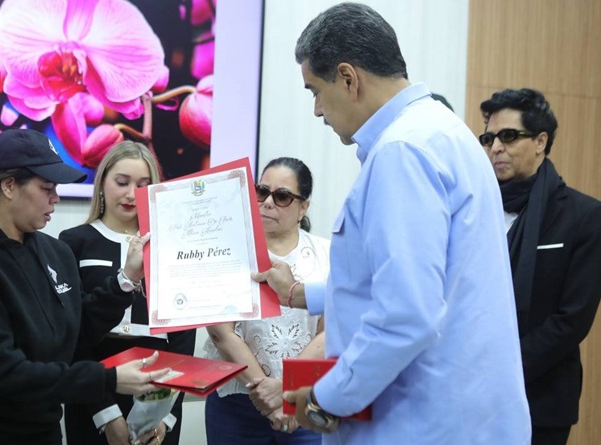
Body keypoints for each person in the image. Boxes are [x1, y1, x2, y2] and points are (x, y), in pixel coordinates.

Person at [254, 3, 531, 444]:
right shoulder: (442, 132)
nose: (318, 111)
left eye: (316, 91)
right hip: (461, 418)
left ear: (349, 78)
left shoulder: (403, 151)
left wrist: (326, 399)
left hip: (418, 424)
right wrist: (301, 293)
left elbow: (406, 315)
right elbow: (422, 278)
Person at [0, 129, 168, 445]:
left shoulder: (56, 253)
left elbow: (77, 331)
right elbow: (5, 372)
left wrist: (126, 281)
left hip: (39, 428)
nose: (56, 198)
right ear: (9, 186)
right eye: (47, 188)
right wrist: (108, 379)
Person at [479, 88, 601, 445]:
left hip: (540, 397)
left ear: (540, 141)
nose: (496, 147)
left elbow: (571, 320)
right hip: (472, 391)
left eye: (508, 136)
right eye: (488, 138)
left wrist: (503, 368)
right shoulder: (475, 208)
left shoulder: (583, 216)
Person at [59, 141, 195, 445]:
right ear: (102, 183)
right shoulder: (73, 242)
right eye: (122, 182)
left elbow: (184, 338)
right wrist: (106, 414)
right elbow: (72, 334)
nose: (132, 194)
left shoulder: (173, 246)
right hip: (93, 393)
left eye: (143, 185)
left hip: (159, 389)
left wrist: (164, 417)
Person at [204, 157, 327, 445]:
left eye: (282, 196)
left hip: (305, 398)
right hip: (237, 401)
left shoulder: (327, 253)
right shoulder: (226, 250)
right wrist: (268, 398)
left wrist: (286, 388)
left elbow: (331, 332)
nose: (268, 202)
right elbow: (221, 334)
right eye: (262, 192)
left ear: (304, 207)